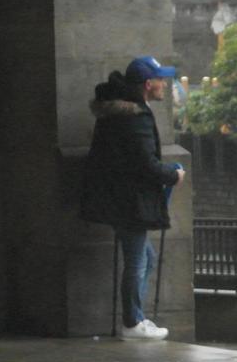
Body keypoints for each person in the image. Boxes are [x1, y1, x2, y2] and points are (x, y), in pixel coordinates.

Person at [79, 55, 184, 339]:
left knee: (145, 259)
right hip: (130, 201)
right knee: (138, 262)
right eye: (161, 79)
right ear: (148, 84)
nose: (164, 84)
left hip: (119, 197)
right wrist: (172, 175)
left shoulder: (120, 113)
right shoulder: (135, 117)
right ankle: (132, 322)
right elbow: (144, 163)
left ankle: (135, 318)